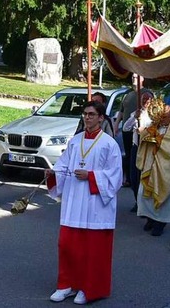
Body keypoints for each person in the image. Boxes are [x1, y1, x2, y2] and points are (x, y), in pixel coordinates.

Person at [46, 101, 122, 305]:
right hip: (73, 201)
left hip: (95, 204)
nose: (87, 117)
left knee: (92, 250)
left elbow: (115, 177)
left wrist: (90, 176)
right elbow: (63, 165)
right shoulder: (75, 141)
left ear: (101, 118)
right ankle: (66, 285)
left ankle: (89, 289)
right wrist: (53, 173)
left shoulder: (109, 143)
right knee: (67, 246)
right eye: (85, 114)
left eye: (91, 114)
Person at [136, 99, 170, 236]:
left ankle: (160, 223)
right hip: (151, 164)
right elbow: (144, 136)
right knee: (144, 193)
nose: (162, 119)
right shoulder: (154, 125)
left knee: (163, 194)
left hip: (166, 167)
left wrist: (158, 142)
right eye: (160, 116)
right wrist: (146, 135)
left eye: (164, 117)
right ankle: (150, 218)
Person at [113, 75, 152, 187]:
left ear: (142, 78)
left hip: (141, 131)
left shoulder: (146, 92)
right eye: (133, 76)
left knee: (139, 155)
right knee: (129, 154)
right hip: (128, 129)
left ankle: (139, 177)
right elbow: (121, 111)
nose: (134, 78)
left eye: (137, 76)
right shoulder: (128, 94)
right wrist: (116, 125)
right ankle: (130, 178)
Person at [123, 91, 155, 211]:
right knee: (134, 176)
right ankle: (137, 201)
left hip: (148, 148)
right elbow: (126, 128)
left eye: (148, 100)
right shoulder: (136, 113)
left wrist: (145, 130)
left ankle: (145, 203)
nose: (146, 102)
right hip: (136, 147)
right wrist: (134, 118)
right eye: (143, 99)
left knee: (145, 177)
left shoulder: (155, 115)